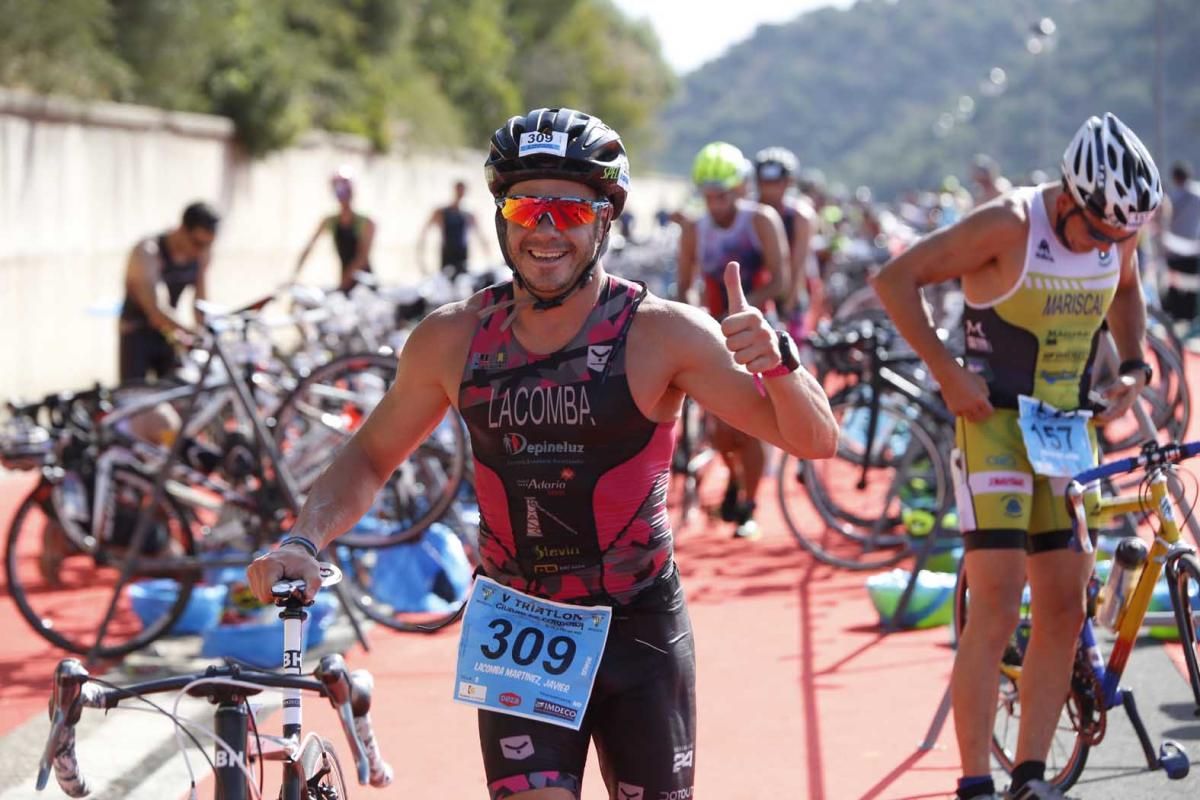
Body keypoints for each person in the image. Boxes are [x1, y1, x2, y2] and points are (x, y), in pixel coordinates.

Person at [246, 107, 837, 800]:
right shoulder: (453, 338)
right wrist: (305, 537)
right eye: (527, 206)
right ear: (502, 217)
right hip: (519, 621)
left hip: (638, 624)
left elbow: (814, 440)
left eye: (570, 209)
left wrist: (780, 367)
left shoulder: (664, 335)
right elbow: (371, 455)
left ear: (605, 220)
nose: (545, 229)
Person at [872, 112, 1162, 800]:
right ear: (1068, 195)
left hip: (1065, 431)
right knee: (997, 604)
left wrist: (1136, 368)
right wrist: (946, 371)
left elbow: (1127, 288)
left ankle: (1030, 776)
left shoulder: (1117, 230)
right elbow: (895, 279)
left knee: (1065, 606)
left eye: (1121, 236)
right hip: (993, 425)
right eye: (1097, 231)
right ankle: (975, 781)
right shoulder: (1007, 224)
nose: (1109, 244)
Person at [676, 141, 787, 540]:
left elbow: (781, 278)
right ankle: (735, 479)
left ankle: (749, 506)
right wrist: (698, 318)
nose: (716, 204)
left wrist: (743, 310)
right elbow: (685, 285)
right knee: (722, 431)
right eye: (708, 196)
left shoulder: (761, 221)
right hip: (714, 337)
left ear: (739, 188)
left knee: (753, 427)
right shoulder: (695, 229)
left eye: (722, 195)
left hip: (757, 334)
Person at [118, 201, 220, 382]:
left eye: (207, 245)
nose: (200, 250)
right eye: (196, 243)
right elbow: (156, 311)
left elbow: (201, 305)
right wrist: (195, 334)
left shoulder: (201, 254)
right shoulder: (148, 252)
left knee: (180, 393)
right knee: (134, 396)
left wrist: (207, 333)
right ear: (182, 229)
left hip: (169, 334)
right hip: (137, 333)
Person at [754, 146, 822, 339]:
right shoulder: (749, 213)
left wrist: (788, 309)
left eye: (777, 181)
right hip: (754, 293)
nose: (770, 187)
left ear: (789, 182)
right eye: (765, 181)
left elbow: (798, 265)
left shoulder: (801, 216)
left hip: (788, 295)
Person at [294, 166, 376, 292]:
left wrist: (344, 283)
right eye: (339, 190)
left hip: (364, 287)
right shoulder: (330, 221)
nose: (343, 195)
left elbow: (362, 258)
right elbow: (309, 248)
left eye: (345, 189)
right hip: (344, 283)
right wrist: (295, 275)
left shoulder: (366, 222)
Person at [418, 179, 487, 280]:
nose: (460, 193)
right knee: (446, 282)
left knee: (463, 282)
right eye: (459, 190)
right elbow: (425, 231)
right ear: (454, 190)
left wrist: (487, 258)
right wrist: (422, 258)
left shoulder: (468, 215)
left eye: (462, 190)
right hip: (447, 254)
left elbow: (480, 236)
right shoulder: (441, 212)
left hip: (462, 254)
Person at [1161, 160, 1200, 327]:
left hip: (1174, 249)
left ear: (1176, 178)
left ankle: (1176, 317)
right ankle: (1191, 317)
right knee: (1192, 286)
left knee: (1175, 286)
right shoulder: (1198, 193)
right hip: (1194, 248)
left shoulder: (1173, 197)